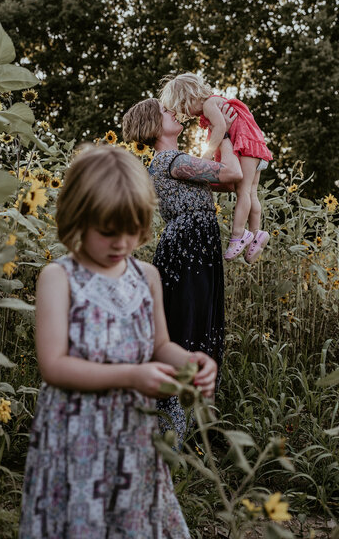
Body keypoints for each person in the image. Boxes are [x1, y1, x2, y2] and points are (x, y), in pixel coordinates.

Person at [19, 144, 218, 538]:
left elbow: (160, 344)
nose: (122, 244)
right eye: (108, 233)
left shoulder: (145, 277)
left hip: (133, 435)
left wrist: (190, 361)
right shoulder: (59, 278)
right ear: (78, 217)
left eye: (133, 232)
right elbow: (54, 366)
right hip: (77, 437)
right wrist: (132, 375)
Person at [122, 98, 242, 445]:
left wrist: (225, 134)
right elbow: (233, 173)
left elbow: (230, 182)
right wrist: (226, 132)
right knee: (185, 329)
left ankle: (185, 427)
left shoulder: (179, 162)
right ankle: (169, 431)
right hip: (188, 249)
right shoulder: (171, 160)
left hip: (197, 248)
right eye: (165, 111)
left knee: (198, 326)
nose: (173, 112)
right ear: (154, 125)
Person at [159, 72, 273, 263]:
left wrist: (206, 155)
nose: (186, 115)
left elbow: (220, 128)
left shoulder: (210, 104)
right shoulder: (215, 103)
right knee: (252, 193)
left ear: (191, 96)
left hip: (245, 145)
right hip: (256, 147)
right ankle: (256, 234)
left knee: (243, 192)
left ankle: (238, 235)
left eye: (183, 107)